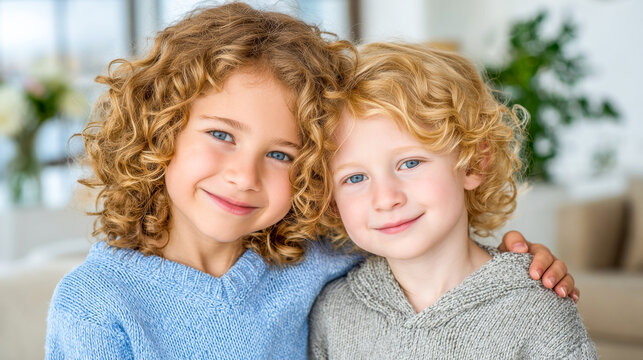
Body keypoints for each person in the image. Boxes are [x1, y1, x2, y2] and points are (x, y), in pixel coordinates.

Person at [46, 3, 577, 359]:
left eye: (279, 153)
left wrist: (520, 262)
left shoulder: (318, 257)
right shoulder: (95, 304)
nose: (243, 176)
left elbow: (431, 252)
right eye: (221, 135)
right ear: (160, 129)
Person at [308, 42, 596, 359]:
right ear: (332, 200)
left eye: (410, 163)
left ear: (473, 163)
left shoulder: (538, 309)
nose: (386, 199)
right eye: (355, 178)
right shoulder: (332, 311)